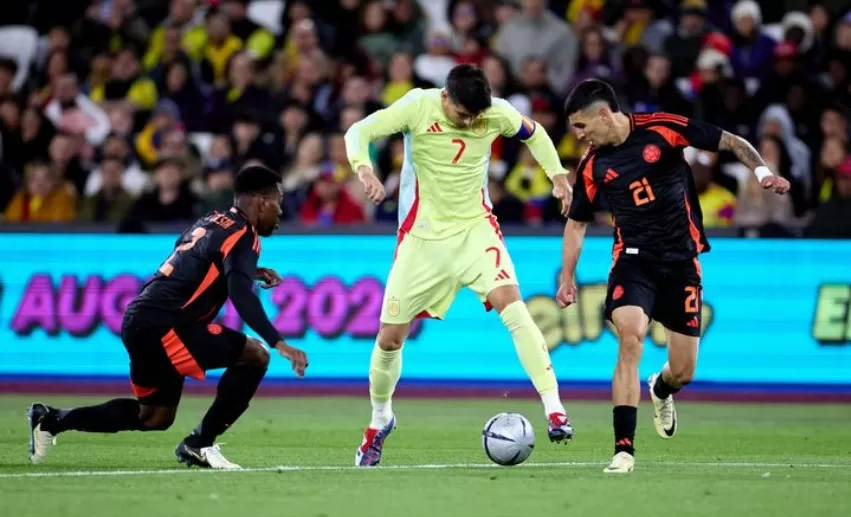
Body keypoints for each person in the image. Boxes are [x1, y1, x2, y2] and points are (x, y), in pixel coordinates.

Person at [344, 64, 575, 467]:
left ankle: (555, 409)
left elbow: (534, 133)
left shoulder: (495, 112)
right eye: (463, 114)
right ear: (446, 97)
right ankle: (380, 420)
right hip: (422, 240)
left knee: (513, 306)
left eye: (476, 117)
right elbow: (358, 131)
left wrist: (557, 176)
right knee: (390, 339)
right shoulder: (418, 106)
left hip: (476, 231)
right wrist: (364, 168)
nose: (470, 123)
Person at [555, 79, 790, 474]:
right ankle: (623, 451)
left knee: (684, 370)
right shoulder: (594, 165)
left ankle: (661, 387)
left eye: (581, 126)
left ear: (602, 114)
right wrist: (567, 277)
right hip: (633, 262)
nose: (578, 136)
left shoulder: (662, 127)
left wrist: (763, 173)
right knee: (630, 338)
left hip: (682, 262)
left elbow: (731, 141)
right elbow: (576, 224)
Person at [27, 165, 309, 470]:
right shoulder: (245, 234)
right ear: (262, 201)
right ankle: (200, 444)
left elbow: (190, 257)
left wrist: (246, 271)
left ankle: (51, 419)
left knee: (154, 416)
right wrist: (279, 343)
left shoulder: (212, 220)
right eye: (278, 202)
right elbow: (241, 295)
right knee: (256, 355)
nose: (281, 212)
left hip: (139, 320)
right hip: (165, 325)